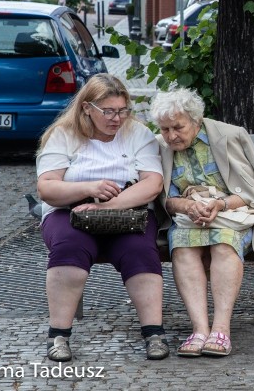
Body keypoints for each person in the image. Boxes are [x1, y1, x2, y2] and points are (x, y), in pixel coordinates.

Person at [36, 73, 168, 362]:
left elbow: (152, 184)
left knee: (140, 250)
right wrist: (88, 188)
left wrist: (107, 206)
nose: (117, 118)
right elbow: (47, 188)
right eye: (108, 111)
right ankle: (58, 334)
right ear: (87, 108)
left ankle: (154, 333)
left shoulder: (137, 134)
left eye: (122, 110)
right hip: (68, 211)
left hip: (126, 210)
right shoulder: (64, 135)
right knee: (70, 247)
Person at [149, 88, 254, 357]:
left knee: (223, 244)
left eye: (178, 127)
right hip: (188, 219)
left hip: (232, 216)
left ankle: (221, 329)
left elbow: (250, 193)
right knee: (183, 248)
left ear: (196, 121)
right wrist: (187, 205)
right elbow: (164, 199)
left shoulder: (229, 136)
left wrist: (218, 205)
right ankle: (199, 330)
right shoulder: (159, 145)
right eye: (165, 129)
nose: (171, 136)